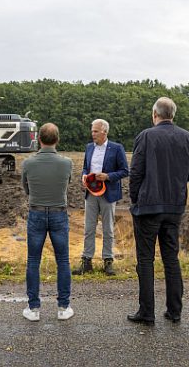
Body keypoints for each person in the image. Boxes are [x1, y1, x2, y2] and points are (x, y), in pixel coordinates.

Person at [127, 97, 189, 325]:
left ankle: (146, 312)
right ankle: (174, 310)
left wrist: (135, 198)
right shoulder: (186, 137)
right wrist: (178, 179)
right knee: (171, 258)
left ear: (154, 114)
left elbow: (136, 172)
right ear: (173, 115)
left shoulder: (146, 136)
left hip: (148, 206)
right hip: (174, 206)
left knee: (146, 259)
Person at [21, 123, 74, 321]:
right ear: (57, 140)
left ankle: (34, 308)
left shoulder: (28, 163)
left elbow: (25, 187)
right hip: (59, 213)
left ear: (39, 140)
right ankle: (63, 307)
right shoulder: (67, 163)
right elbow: (67, 184)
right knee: (63, 260)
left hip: (36, 213)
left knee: (33, 260)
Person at [73, 119, 128, 276]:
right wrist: (84, 175)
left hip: (108, 194)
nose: (93, 134)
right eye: (92, 131)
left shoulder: (117, 148)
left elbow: (125, 170)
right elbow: (85, 167)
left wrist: (108, 176)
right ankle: (87, 261)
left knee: (108, 228)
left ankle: (108, 261)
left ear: (105, 132)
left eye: (96, 131)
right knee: (89, 228)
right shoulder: (89, 147)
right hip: (91, 193)